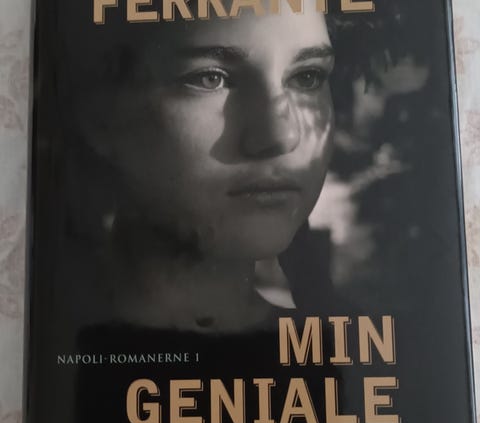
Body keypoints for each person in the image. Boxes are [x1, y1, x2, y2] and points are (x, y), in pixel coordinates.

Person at [66, 2, 336, 332]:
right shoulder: (39, 342)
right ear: (99, 116)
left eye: (308, 77)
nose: (282, 135)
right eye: (210, 79)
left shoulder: (337, 350)